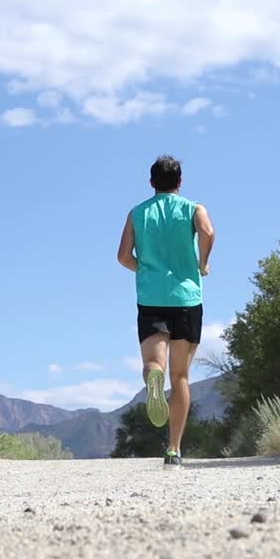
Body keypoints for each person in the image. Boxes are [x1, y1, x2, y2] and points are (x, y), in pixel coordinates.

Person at [117, 155, 215, 469]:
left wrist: (143, 269)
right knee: (182, 376)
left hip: (151, 297)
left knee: (153, 363)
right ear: (180, 182)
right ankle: (173, 449)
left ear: (151, 183)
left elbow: (122, 256)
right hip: (187, 298)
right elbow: (208, 232)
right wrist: (202, 263)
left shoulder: (137, 213)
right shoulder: (193, 208)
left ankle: (152, 378)